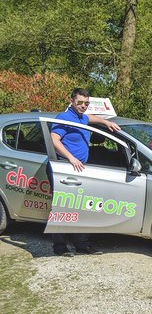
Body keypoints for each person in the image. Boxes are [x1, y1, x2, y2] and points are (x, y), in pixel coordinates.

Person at [50, 88, 120, 257]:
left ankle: (82, 245)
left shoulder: (82, 117)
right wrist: (71, 158)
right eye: (80, 102)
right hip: (64, 166)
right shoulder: (64, 117)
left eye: (86, 103)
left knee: (81, 207)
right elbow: (54, 139)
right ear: (72, 101)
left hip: (80, 168)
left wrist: (106, 122)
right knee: (62, 207)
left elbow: (91, 118)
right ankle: (60, 247)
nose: (83, 106)